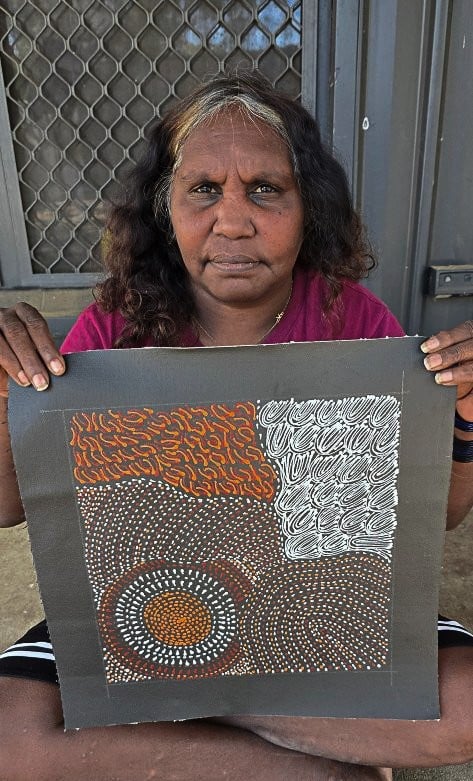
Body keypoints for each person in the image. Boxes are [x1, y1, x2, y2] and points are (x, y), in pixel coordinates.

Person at [0, 71, 472, 781]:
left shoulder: (354, 323)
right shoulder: (114, 330)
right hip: (140, 610)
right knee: (8, 733)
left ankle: (199, 711)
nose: (232, 221)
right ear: (164, 209)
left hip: (320, 610)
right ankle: (318, 767)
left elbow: (440, 515)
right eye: (202, 189)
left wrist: (464, 417)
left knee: (465, 707)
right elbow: (9, 507)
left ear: (307, 208)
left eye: (264, 189)